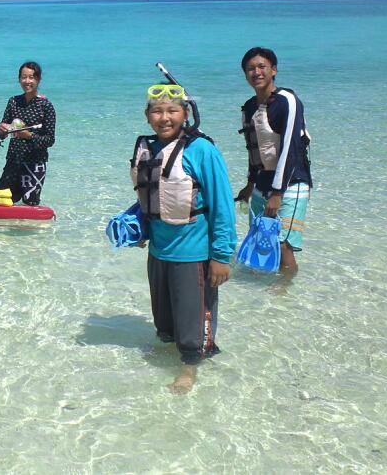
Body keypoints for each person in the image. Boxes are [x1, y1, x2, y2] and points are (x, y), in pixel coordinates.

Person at [130, 83, 236, 394]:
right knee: (164, 315)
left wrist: (221, 256)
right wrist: (138, 226)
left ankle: (190, 366)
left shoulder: (201, 150)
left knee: (193, 316)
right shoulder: (148, 148)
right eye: (157, 111)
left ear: (185, 114)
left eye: (172, 111)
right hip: (159, 250)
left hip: (193, 252)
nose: (165, 118)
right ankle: (168, 349)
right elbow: (153, 195)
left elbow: (222, 205)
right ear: (147, 116)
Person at [235, 47, 312, 273]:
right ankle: (260, 296)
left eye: (262, 67)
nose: (256, 72)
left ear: (274, 70)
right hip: (262, 182)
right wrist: (249, 185)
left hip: (292, 184)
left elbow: (292, 147)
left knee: (283, 245)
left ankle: (285, 296)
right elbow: (254, 149)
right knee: (260, 240)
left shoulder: (287, 100)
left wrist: (278, 194)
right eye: (250, 68)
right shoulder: (249, 106)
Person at [0, 61, 56, 205]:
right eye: (24, 77)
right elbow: (4, 129)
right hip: (13, 160)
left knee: (30, 204)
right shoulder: (13, 102)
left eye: (31, 77)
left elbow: (50, 140)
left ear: (38, 79)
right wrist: (0, 129)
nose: (27, 81)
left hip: (35, 163)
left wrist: (29, 136)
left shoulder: (45, 106)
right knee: (1, 201)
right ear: (19, 79)